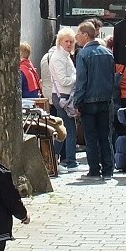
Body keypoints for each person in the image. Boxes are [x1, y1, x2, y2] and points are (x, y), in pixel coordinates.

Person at [73, 20, 116, 179]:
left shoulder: (83, 54)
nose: (77, 37)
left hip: (89, 100)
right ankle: (108, 170)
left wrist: (77, 101)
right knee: (105, 136)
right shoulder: (107, 52)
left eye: (78, 34)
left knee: (91, 137)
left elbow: (81, 81)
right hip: (105, 100)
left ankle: (94, 170)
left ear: (85, 34)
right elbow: (112, 78)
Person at [49, 27, 79, 170]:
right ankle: (70, 161)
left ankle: (54, 159)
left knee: (64, 129)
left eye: (71, 41)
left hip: (65, 96)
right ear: (60, 41)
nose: (69, 43)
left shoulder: (65, 56)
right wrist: (78, 76)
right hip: (62, 97)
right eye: (66, 41)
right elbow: (64, 80)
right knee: (69, 129)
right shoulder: (58, 57)